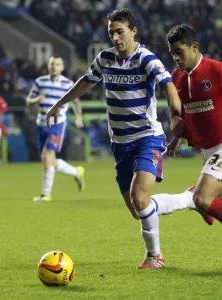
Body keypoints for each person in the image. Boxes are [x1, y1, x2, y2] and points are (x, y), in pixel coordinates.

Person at [46, 9, 183, 269]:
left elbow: (168, 86)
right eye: (111, 32)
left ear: (133, 31)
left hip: (147, 138)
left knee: (140, 199)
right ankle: (187, 199)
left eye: (120, 31)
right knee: (137, 209)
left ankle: (155, 257)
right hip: (120, 144)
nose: (115, 37)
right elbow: (86, 82)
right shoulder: (105, 58)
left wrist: (175, 114)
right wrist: (59, 104)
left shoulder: (146, 59)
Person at [167, 24, 222, 223]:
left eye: (179, 52)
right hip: (207, 150)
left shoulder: (216, 70)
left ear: (195, 47)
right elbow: (179, 112)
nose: (176, 58)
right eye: (173, 53)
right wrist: (175, 138)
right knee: (204, 201)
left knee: (201, 198)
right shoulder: (175, 77)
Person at [27, 55, 85, 202]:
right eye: (52, 64)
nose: (54, 66)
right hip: (41, 123)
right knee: (49, 160)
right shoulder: (40, 82)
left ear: (62, 68)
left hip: (58, 124)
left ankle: (46, 194)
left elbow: (76, 102)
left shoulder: (68, 84)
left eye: (58, 64)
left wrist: (78, 117)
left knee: (47, 156)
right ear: (49, 66)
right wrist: (36, 100)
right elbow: (28, 101)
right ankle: (76, 171)